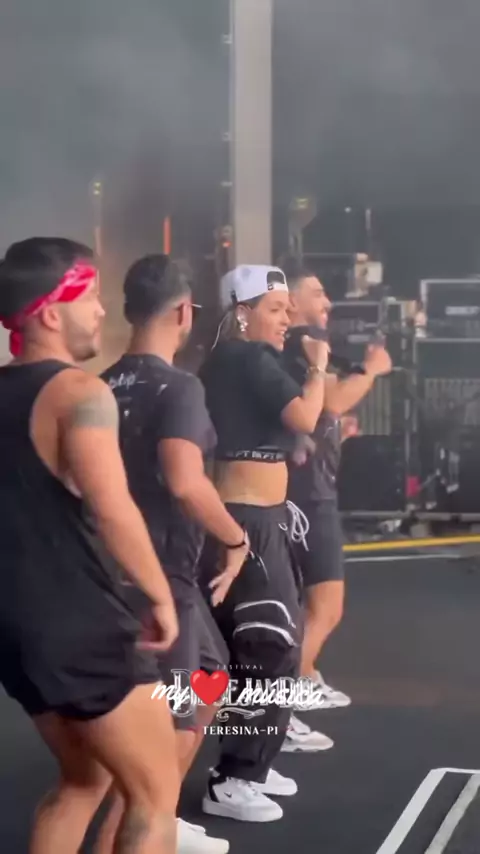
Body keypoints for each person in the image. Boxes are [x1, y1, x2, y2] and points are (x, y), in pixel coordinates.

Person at [0, 238, 181, 854]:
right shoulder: (79, 393)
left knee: (84, 780)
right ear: (52, 313)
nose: (103, 310)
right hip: (78, 622)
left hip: (16, 629)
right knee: (155, 797)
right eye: (92, 297)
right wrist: (160, 596)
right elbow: (113, 508)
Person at [101, 254, 256, 854]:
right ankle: (147, 822)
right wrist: (236, 539)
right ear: (185, 312)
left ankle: (161, 815)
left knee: (210, 678)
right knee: (158, 733)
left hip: (117, 573)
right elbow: (187, 482)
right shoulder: (179, 387)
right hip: (161, 579)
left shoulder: (99, 385)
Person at [198, 264, 331, 824]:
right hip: (249, 521)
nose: (287, 320)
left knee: (261, 643)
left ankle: (251, 759)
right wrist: (318, 367)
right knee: (269, 644)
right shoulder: (248, 358)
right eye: (276, 309)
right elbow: (305, 415)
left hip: (255, 516)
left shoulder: (227, 361)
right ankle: (235, 777)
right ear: (242, 312)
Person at [281, 257, 392, 749]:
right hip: (307, 496)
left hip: (308, 490)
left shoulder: (295, 347)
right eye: (318, 293)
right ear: (291, 300)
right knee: (325, 607)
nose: (327, 302)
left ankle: (300, 683)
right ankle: (281, 705)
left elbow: (321, 410)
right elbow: (332, 401)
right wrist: (371, 369)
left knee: (309, 605)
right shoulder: (300, 344)